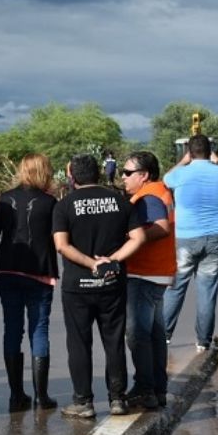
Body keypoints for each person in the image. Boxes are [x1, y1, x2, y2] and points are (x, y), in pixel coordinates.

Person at [53, 154, 144, 418]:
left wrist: (90, 264)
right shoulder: (120, 201)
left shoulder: (64, 205)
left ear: (72, 177)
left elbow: (62, 246)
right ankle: (117, 399)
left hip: (77, 286)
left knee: (79, 343)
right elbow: (137, 238)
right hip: (112, 283)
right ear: (100, 174)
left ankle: (83, 402)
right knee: (113, 341)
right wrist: (110, 261)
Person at [0, 153, 59, 412]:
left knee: (12, 329)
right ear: (44, 172)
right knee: (39, 330)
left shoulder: (5, 198)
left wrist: (1, 254)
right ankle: (42, 397)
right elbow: (58, 239)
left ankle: (16, 396)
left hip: (7, 271)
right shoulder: (50, 202)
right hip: (40, 271)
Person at [162, 134, 218, 352]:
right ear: (210, 151)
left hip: (186, 236)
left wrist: (183, 161)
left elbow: (165, 180)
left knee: (176, 286)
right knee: (207, 288)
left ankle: (164, 336)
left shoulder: (180, 174)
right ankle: (203, 342)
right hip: (216, 235)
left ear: (189, 151)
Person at [121, 151, 175, 409]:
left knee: (137, 334)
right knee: (154, 333)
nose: (123, 176)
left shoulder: (149, 196)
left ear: (143, 175)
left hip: (144, 272)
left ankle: (144, 389)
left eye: (128, 172)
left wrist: (133, 238)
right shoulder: (159, 190)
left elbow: (162, 226)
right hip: (158, 272)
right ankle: (158, 389)